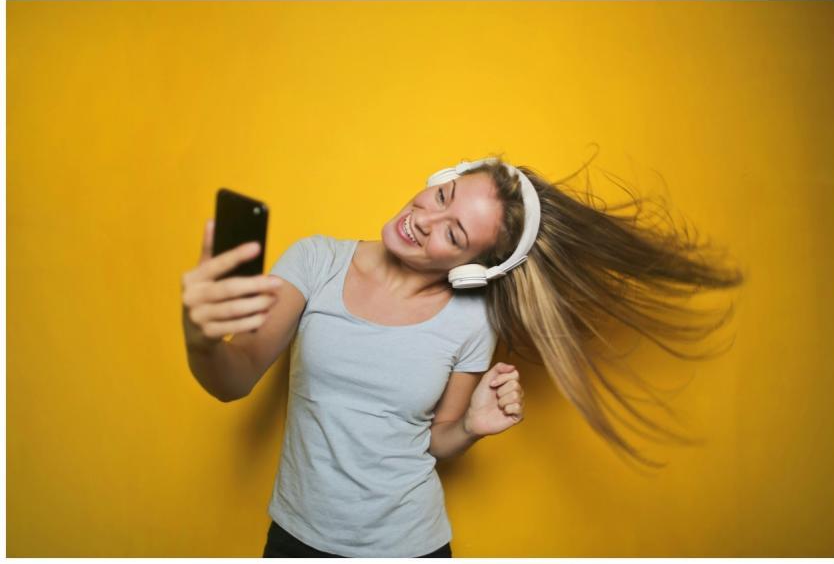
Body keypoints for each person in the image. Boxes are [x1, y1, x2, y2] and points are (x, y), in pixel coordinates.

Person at [181, 154, 744, 557]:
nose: (424, 220)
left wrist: (470, 427)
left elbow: (435, 440)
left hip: (411, 545)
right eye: (443, 196)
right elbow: (234, 380)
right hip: (296, 539)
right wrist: (201, 336)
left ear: (472, 270)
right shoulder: (316, 260)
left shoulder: (472, 320)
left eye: (453, 235)